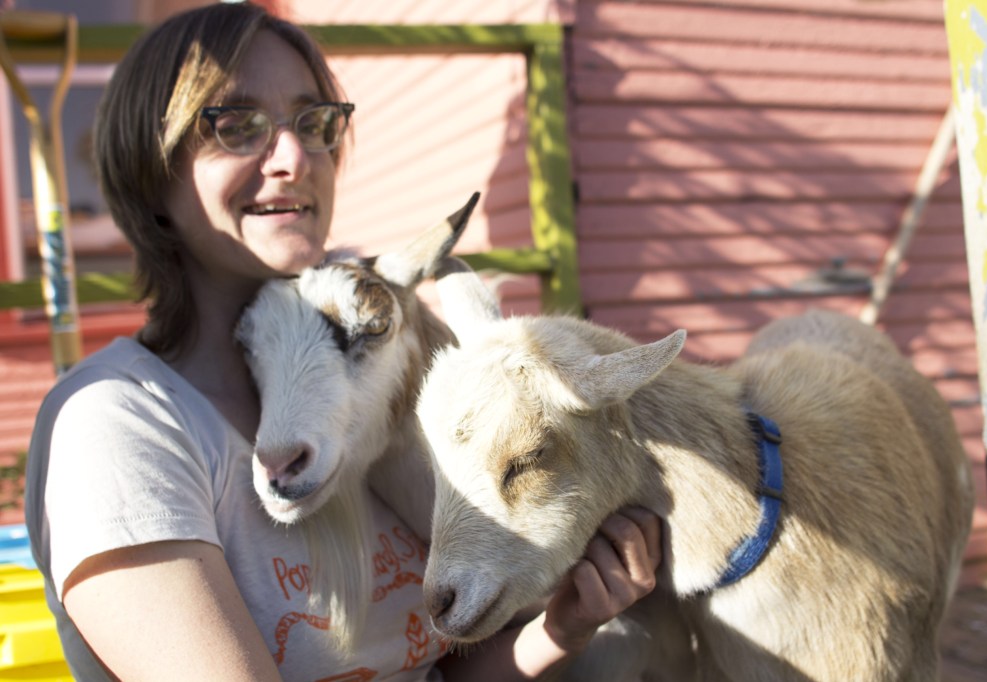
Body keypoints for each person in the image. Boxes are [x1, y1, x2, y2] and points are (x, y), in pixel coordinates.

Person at [23, 3, 661, 681]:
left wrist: (560, 629)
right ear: (151, 171)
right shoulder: (118, 425)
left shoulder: (370, 394)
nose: (295, 157)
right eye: (236, 125)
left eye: (315, 123)